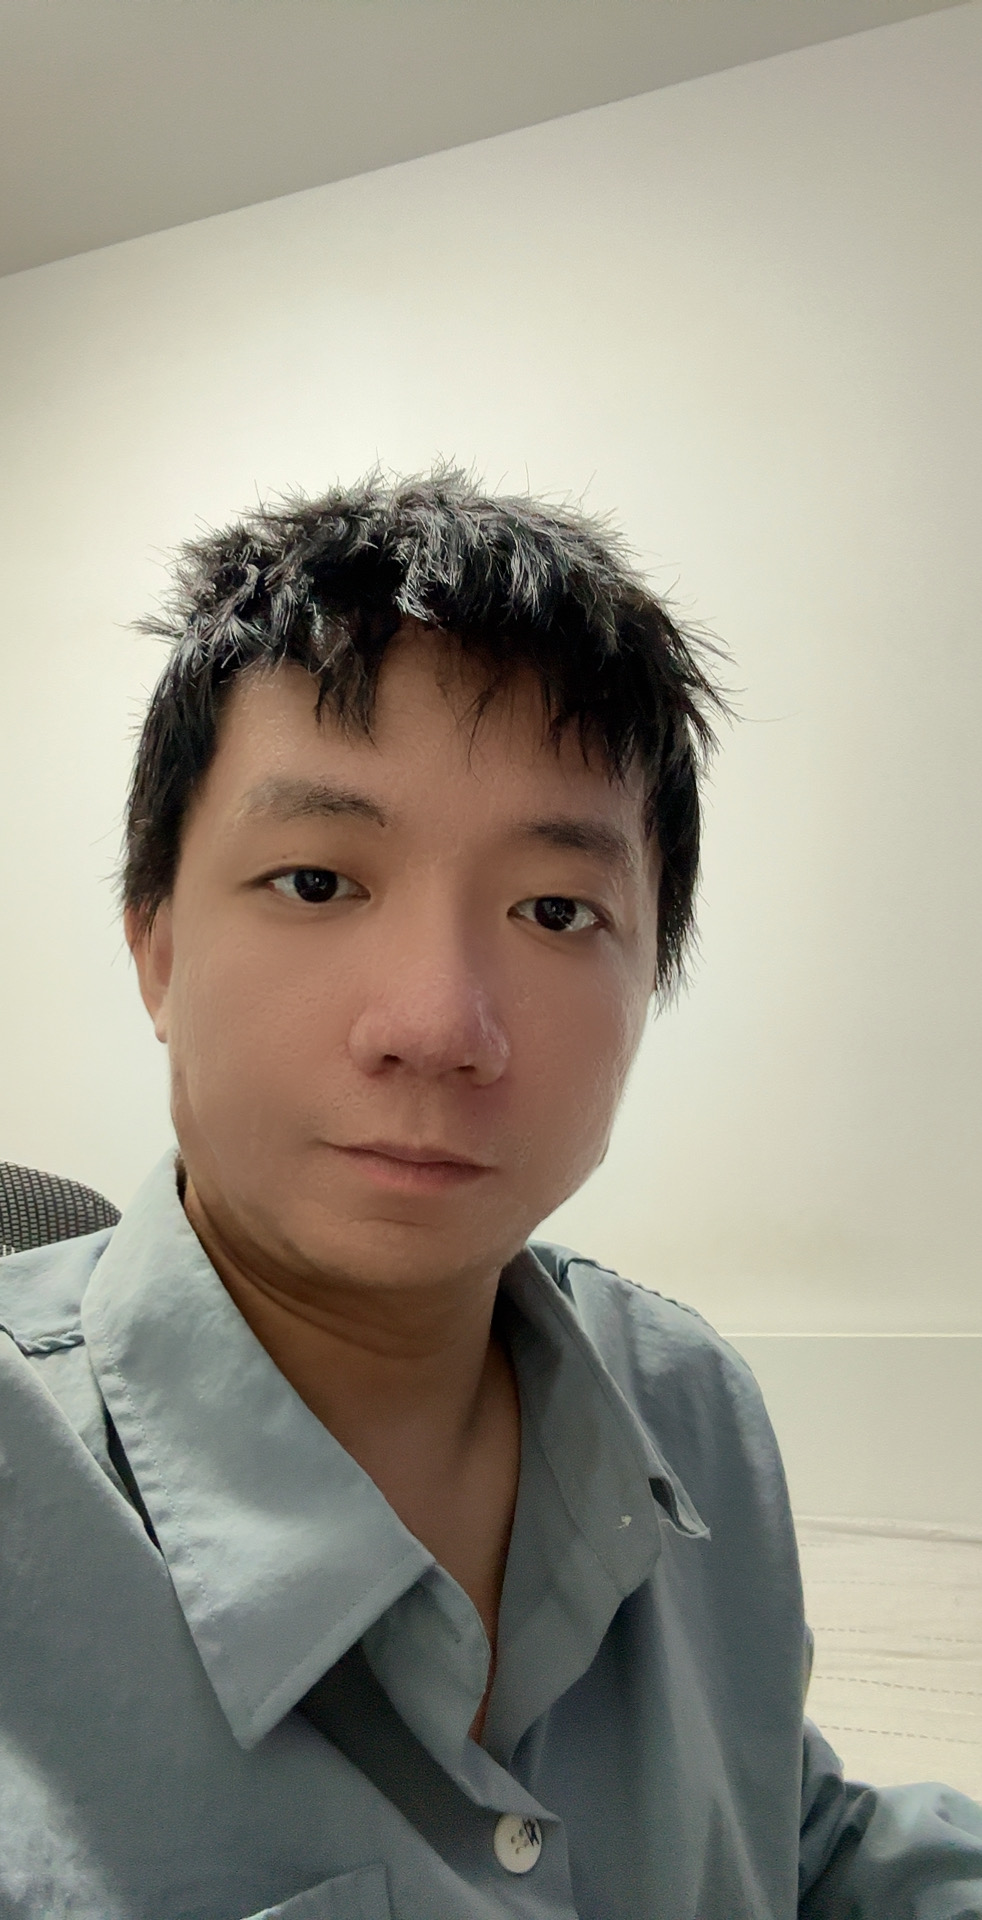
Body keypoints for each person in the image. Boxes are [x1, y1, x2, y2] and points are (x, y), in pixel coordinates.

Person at [1, 469, 979, 1920]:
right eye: (317, 882)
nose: (438, 1024)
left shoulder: (687, 1402)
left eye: (555, 911)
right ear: (155, 944)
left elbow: (784, 1834)